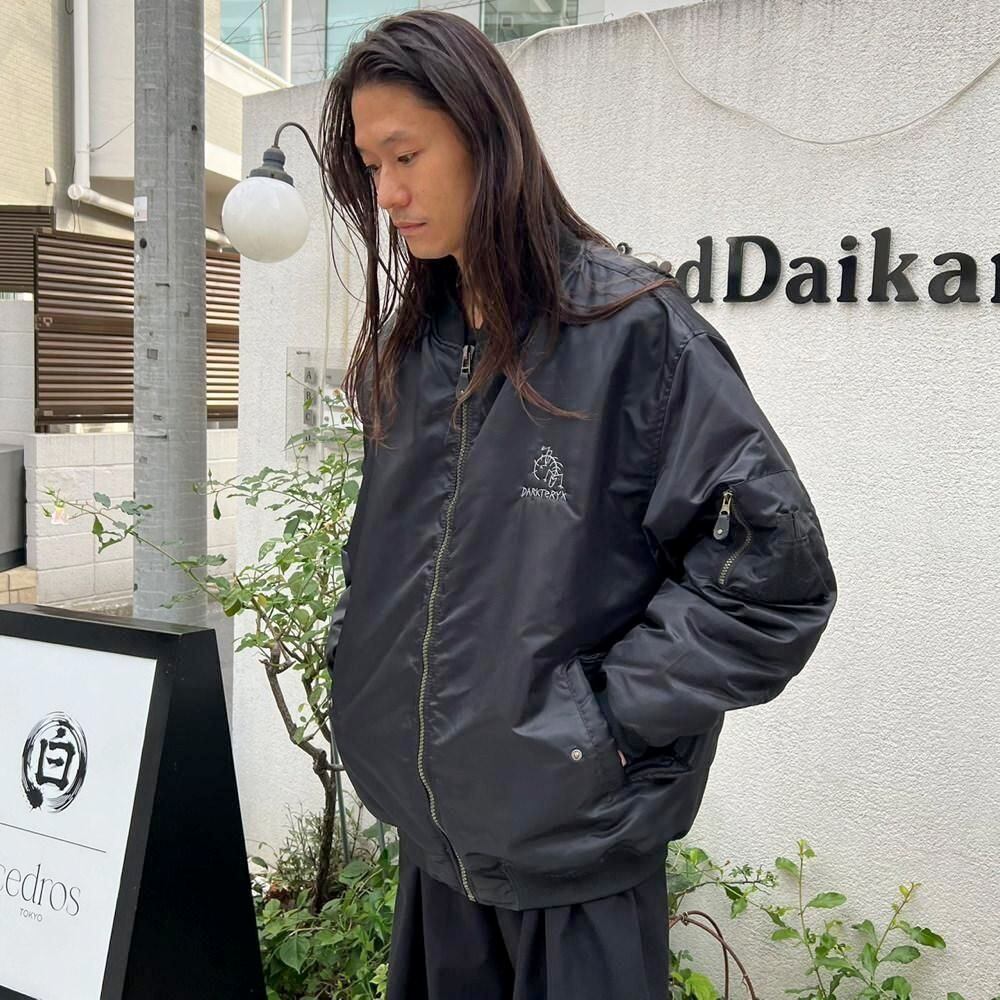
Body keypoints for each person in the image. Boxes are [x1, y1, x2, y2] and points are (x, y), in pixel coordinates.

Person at [319, 10, 838, 999]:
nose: (386, 194)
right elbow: (381, 555)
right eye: (370, 165)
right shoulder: (416, 348)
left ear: (484, 136)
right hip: (436, 859)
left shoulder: (631, 334)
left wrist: (595, 731)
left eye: (406, 156)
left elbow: (771, 579)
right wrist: (359, 655)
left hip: (575, 875)